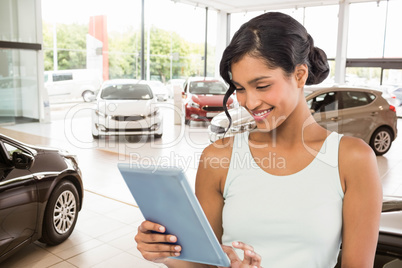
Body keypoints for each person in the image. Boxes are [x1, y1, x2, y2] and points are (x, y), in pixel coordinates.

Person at [135, 12, 382, 268]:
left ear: (299, 75)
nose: (249, 102)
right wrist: (166, 253)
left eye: (262, 86)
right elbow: (203, 262)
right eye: (239, 88)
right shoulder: (218, 157)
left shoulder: (352, 159)